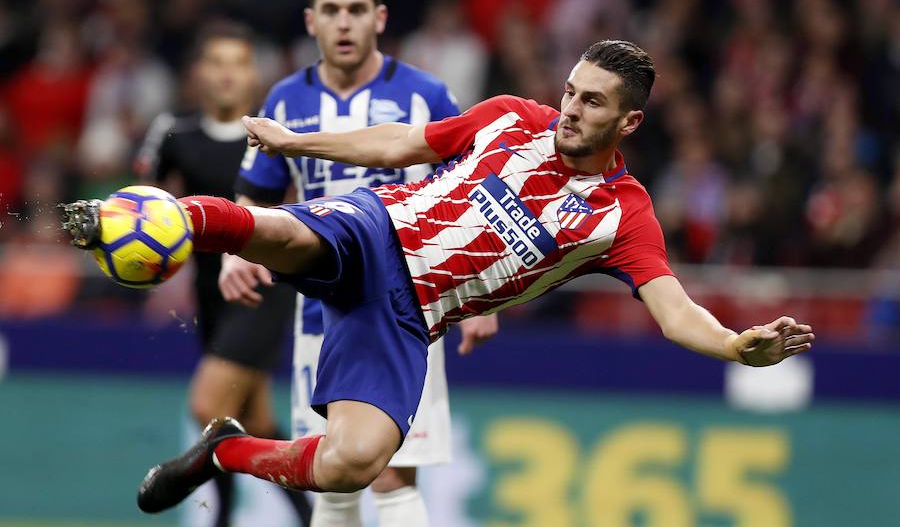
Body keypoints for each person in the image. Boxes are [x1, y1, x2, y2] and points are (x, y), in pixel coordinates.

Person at [63, 39, 814, 510]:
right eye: (571, 91)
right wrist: (299, 141)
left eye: (593, 103)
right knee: (275, 230)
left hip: (408, 315)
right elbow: (402, 146)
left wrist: (735, 346)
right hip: (376, 229)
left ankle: (222, 449)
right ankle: (142, 222)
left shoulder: (624, 216)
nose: (570, 109)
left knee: (354, 465)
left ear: (629, 123)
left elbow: (675, 311)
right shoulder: (512, 118)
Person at [220, 0, 497, 526]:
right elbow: (252, 194)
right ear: (310, 22)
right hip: (320, 316)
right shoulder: (285, 102)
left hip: (411, 310)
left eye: (355, 10)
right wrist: (232, 252)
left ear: (380, 17)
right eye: (330, 10)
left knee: (395, 469)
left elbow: (477, 196)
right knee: (333, 480)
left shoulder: (426, 95)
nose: (343, 23)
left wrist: (479, 294)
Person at [134, 20, 312, 527]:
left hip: (264, 285)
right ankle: (307, 514)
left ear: (254, 73)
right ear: (199, 73)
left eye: (239, 62)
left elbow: (302, 205)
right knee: (248, 422)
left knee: (208, 405)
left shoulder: (274, 135)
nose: (228, 74)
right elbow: (141, 206)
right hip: (212, 292)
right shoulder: (173, 131)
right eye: (217, 62)